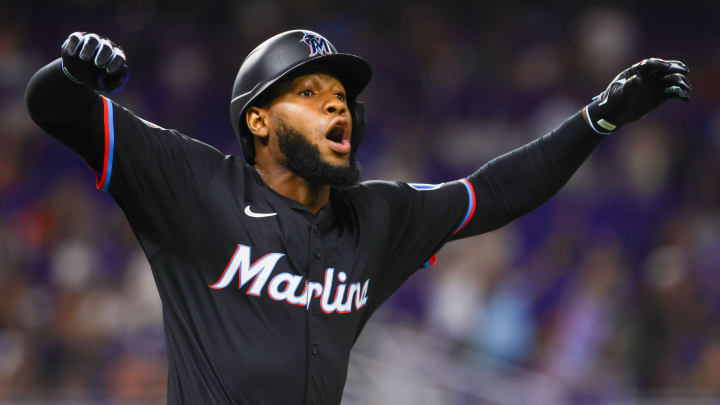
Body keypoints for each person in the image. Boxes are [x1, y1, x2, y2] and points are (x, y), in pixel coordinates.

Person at [24, 29, 690, 404]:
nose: (336, 106)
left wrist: (595, 119)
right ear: (257, 120)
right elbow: (55, 109)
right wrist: (71, 73)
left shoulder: (378, 217)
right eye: (310, 92)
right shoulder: (195, 183)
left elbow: (496, 192)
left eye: (340, 95)